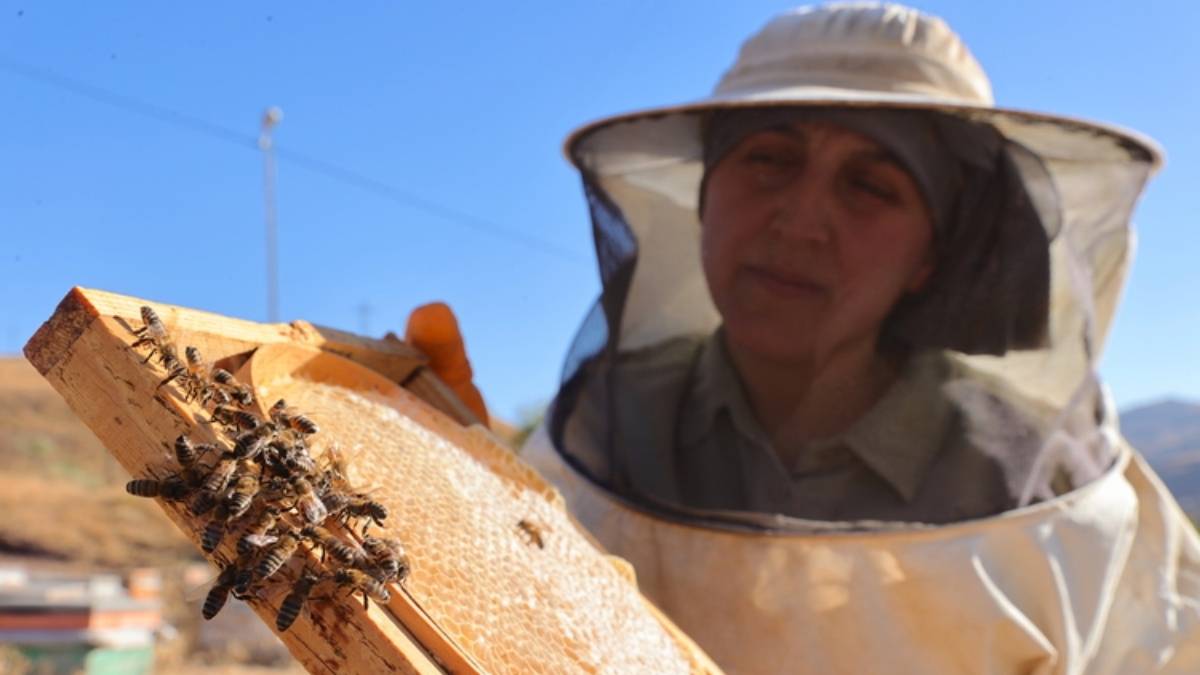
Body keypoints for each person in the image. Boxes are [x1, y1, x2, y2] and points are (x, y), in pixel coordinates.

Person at [413, 3, 1200, 672]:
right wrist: (445, 500)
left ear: (932, 253)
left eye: (870, 184)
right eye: (769, 159)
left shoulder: (1068, 504)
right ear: (703, 201)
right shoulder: (586, 444)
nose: (801, 219)